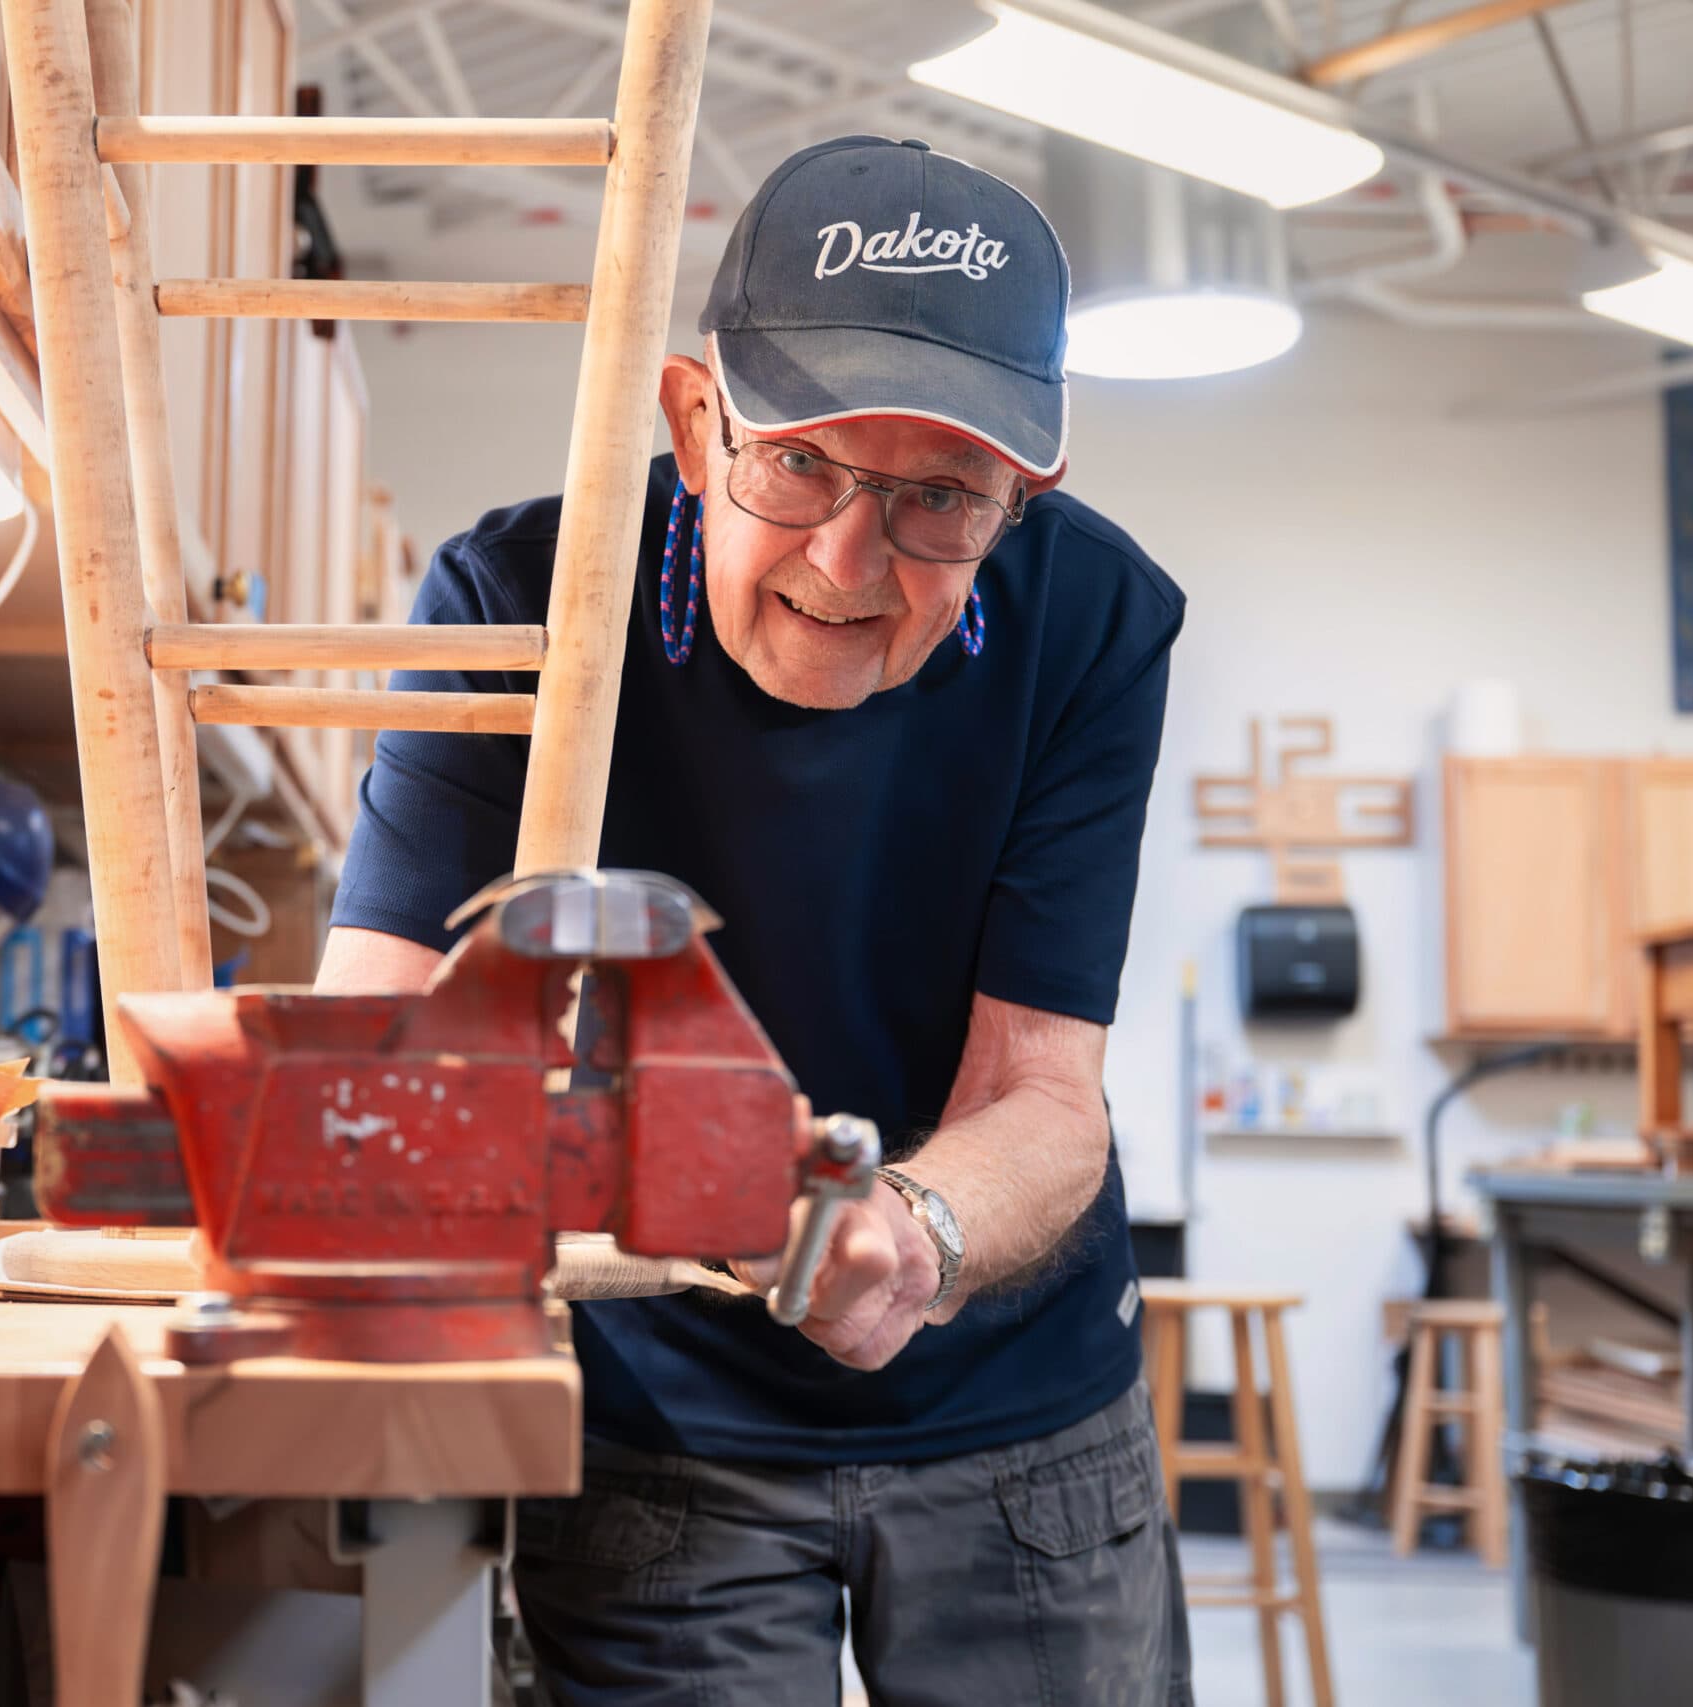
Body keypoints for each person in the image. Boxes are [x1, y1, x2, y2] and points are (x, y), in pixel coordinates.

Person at [315, 137, 1192, 1706]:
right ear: (694, 415)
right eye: (798, 465)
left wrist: (905, 1232)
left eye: (940, 500)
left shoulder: (1096, 621)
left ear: (1023, 501)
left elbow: (1040, 1100)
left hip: (1021, 1414)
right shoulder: (518, 601)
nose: (851, 564)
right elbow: (381, 1052)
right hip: (664, 1434)